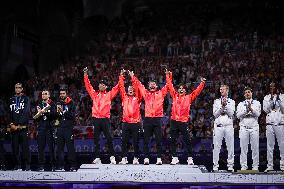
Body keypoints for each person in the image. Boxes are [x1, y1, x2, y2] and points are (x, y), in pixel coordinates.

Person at [166, 71, 206, 165]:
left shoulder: (189, 97)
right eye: (179, 88)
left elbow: (197, 92)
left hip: (183, 122)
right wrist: (168, 76)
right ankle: (174, 158)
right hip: (174, 121)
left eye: (183, 88)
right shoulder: (174, 95)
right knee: (173, 140)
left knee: (187, 140)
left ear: (185, 90)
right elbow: (170, 85)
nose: (181, 90)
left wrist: (202, 83)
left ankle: (190, 158)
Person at [131, 69, 169, 165]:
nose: (152, 85)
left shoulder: (161, 93)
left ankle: (159, 158)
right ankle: (146, 158)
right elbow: (139, 85)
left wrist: (168, 75)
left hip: (157, 119)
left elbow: (168, 85)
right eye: (150, 84)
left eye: (154, 84)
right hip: (147, 119)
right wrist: (133, 77)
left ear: (157, 86)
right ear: (148, 86)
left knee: (158, 140)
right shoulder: (146, 93)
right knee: (146, 140)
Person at [83, 67, 119, 164]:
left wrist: (121, 77)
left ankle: (112, 157)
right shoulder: (94, 94)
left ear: (106, 87)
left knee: (109, 138)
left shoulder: (109, 95)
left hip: (105, 119)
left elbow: (117, 87)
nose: (101, 86)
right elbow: (88, 86)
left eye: (103, 85)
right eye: (100, 84)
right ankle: (97, 157)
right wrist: (85, 75)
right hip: (96, 119)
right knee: (96, 139)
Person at [118, 70, 142, 164]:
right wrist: (121, 76)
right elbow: (121, 86)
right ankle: (124, 158)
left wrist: (133, 77)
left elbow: (137, 86)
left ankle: (136, 158)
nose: (130, 89)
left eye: (132, 88)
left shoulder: (138, 98)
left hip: (135, 123)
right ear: (127, 90)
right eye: (129, 88)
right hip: (126, 123)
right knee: (124, 141)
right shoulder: (124, 97)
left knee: (135, 141)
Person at [236, 87, 261, 171]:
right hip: (244, 127)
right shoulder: (240, 104)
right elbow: (238, 115)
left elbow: (258, 114)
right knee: (243, 148)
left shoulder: (257, 103)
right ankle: (243, 166)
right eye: (246, 92)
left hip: (254, 128)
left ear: (251, 93)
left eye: (249, 92)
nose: (247, 93)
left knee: (255, 148)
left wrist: (251, 109)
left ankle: (255, 166)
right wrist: (246, 111)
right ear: (244, 94)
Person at [212, 84, 235, 172]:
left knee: (230, 146)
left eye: (223, 89)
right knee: (216, 146)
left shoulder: (232, 101)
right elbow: (215, 114)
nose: (221, 91)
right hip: (218, 126)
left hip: (228, 126)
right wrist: (222, 107)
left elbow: (231, 113)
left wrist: (225, 106)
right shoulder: (216, 101)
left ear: (227, 90)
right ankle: (215, 166)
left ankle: (230, 166)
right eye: (220, 89)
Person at [9, 83, 31, 171]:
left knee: (25, 147)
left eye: (19, 88)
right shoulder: (11, 99)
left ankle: (27, 165)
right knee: (15, 147)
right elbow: (9, 113)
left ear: (22, 89)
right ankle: (16, 165)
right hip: (14, 128)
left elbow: (26, 112)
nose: (17, 89)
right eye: (16, 88)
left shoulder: (26, 99)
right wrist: (11, 124)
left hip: (23, 127)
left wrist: (18, 124)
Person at [263, 82, 284, 172]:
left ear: (277, 87)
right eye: (270, 86)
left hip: (280, 123)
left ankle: (282, 166)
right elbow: (266, 110)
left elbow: (283, 109)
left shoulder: (282, 96)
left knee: (282, 145)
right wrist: (271, 100)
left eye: (273, 86)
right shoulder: (266, 97)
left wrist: (279, 100)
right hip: (270, 124)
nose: (272, 88)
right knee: (270, 146)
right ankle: (270, 166)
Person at [55, 88, 77, 171]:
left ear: (66, 94)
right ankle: (60, 166)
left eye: (63, 93)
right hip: (60, 128)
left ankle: (73, 166)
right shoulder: (57, 103)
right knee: (59, 148)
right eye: (60, 93)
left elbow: (72, 116)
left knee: (70, 148)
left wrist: (64, 111)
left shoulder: (71, 103)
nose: (61, 95)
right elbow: (55, 116)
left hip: (68, 128)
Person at [34, 90, 56, 171]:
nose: (43, 95)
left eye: (45, 94)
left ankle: (53, 165)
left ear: (49, 95)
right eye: (42, 94)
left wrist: (45, 112)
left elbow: (54, 115)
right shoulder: (39, 104)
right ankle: (41, 166)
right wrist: (39, 113)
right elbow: (36, 118)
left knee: (51, 148)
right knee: (40, 148)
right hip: (41, 128)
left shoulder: (52, 104)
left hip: (50, 129)